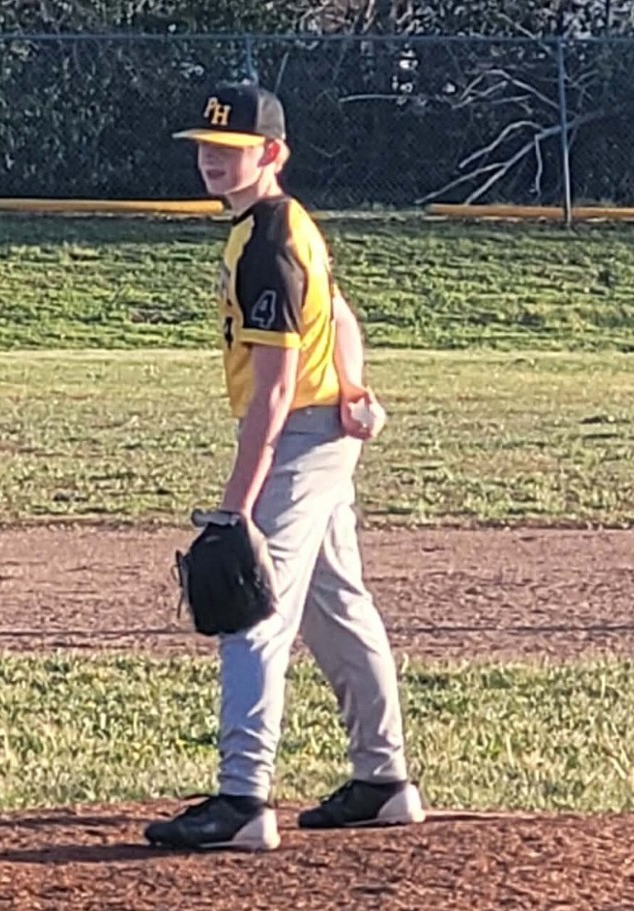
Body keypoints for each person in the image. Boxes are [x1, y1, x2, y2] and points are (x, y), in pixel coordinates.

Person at [145, 82, 425, 852]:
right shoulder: (283, 226)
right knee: (337, 606)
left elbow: (271, 394)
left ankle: (242, 801)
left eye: (232, 150)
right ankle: (383, 781)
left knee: (252, 606)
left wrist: (235, 508)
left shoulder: (269, 242)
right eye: (206, 147)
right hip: (319, 433)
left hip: (298, 438)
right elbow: (340, 314)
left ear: (272, 154)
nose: (213, 159)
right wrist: (354, 390)